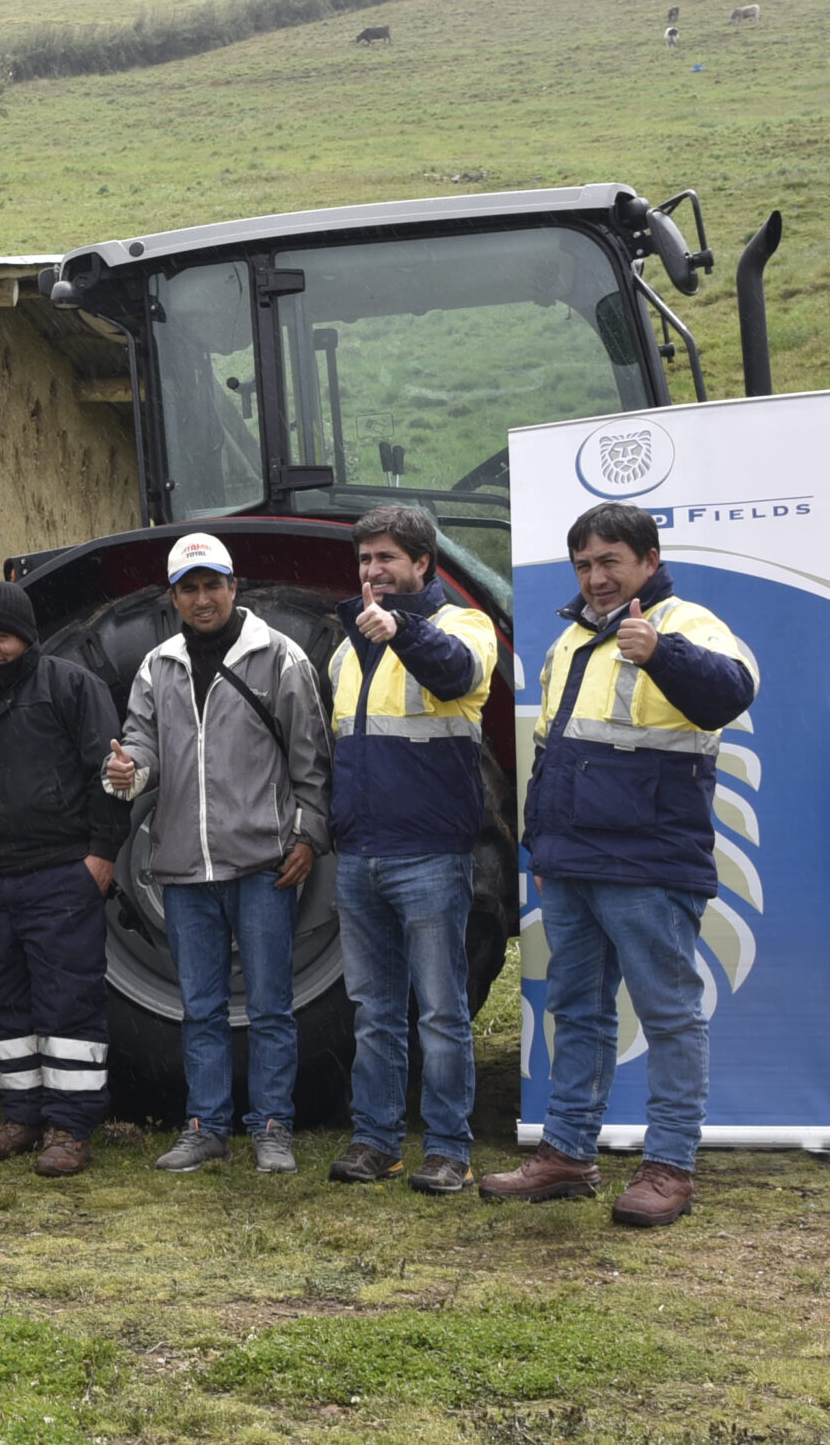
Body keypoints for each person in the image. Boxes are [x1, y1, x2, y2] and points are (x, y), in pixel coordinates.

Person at [482, 502, 756, 1229]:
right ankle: (567, 1154)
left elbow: (731, 694)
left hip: (650, 862)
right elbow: (553, 751)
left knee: (669, 1016)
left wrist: (661, 651)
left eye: (610, 561)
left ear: (649, 558)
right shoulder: (572, 638)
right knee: (576, 1010)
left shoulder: (690, 623)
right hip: (570, 862)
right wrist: (541, 845)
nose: (596, 577)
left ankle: (671, 1167)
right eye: (584, 564)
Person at [104, 534, 330, 1176]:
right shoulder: (157, 666)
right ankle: (205, 1126)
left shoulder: (279, 657)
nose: (202, 599)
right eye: (189, 588)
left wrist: (309, 836)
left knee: (269, 1006)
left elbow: (311, 759)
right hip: (181, 869)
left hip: (262, 864)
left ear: (235, 588)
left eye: (213, 585)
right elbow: (142, 747)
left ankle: (272, 1127)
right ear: (173, 597)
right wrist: (127, 773)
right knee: (199, 1007)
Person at [0, 581, 129, 1177]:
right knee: (4, 1004)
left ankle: (71, 1128)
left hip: (62, 875)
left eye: (1, 637)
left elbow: (109, 773)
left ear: (27, 638)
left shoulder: (71, 686)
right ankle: (20, 1117)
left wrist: (102, 855)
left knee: (69, 1005)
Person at [323, 507, 498, 1196]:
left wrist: (402, 631)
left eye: (387, 558)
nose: (373, 571)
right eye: (365, 559)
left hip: (430, 853)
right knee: (373, 1009)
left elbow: (456, 675)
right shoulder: (345, 647)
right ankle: (378, 1140)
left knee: (441, 1011)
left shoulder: (462, 625)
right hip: (360, 852)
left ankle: (450, 1146)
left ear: (423, 563)